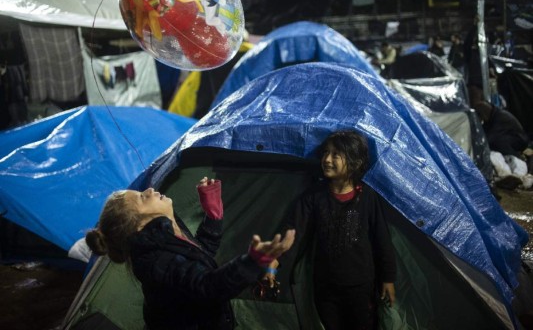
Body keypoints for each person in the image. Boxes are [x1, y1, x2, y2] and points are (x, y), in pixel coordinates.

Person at [85, 177, 295, 330]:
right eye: (141, 197)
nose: (149, 190)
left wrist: (213, 215)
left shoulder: (162, 235)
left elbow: (199, 255)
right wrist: (252, 262)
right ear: (138, 225)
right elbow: (207, 286)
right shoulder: (155, 260)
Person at [267, 130, 396, 330]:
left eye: (336, 155)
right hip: (326, 287)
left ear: (354, 162)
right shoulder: (314, 196)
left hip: (360, 286)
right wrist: (273, 261)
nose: (327, 159)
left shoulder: (368, 197)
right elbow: (293, 231)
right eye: (325, 153)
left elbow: (382, 239)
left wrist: (387, 278)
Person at [473, 101, 532, 190]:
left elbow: (489, 139)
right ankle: (507, 177)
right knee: (497, 155)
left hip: (517, 143)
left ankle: (515, 177)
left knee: (498, 146)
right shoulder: (494, 116)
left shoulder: (501, 118)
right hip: (508, 146)